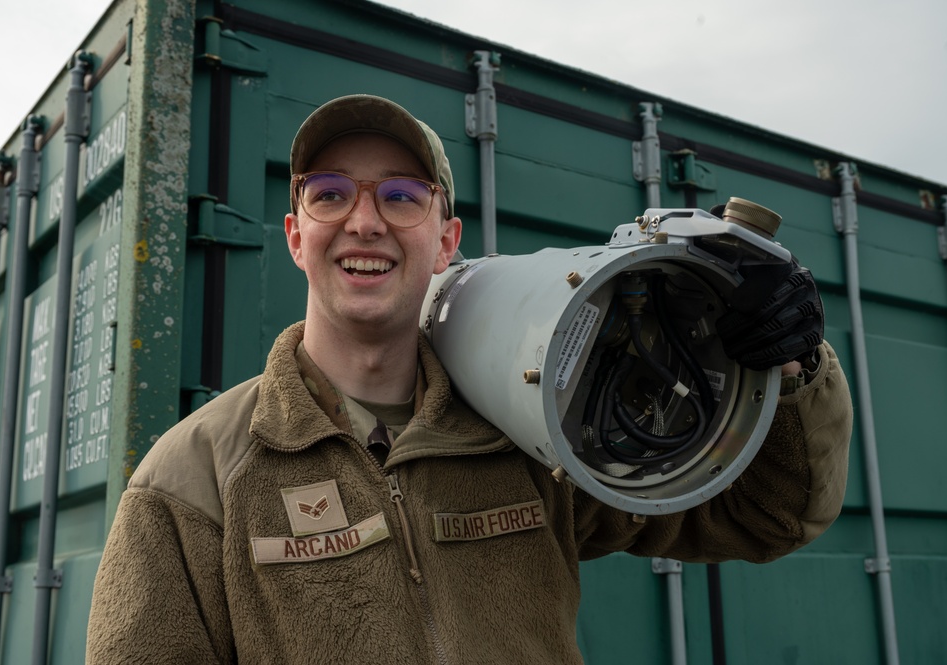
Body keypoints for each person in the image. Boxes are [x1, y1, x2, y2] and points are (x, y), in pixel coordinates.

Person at [86, 94, 852, 664]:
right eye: (329, 194)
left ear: (446, 238)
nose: (364, 221)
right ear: (296, 235)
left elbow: (768, 516)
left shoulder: (533, 431)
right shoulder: (191, 482)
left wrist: (786, 367)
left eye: (399, 196)